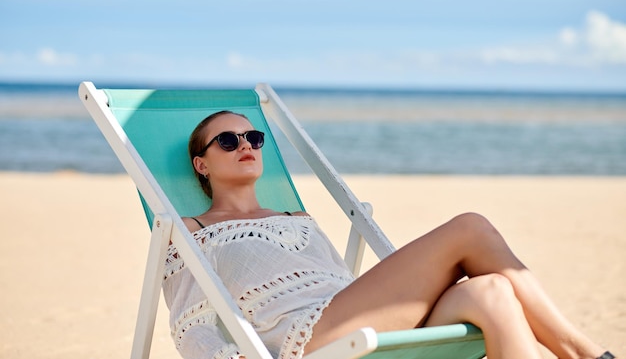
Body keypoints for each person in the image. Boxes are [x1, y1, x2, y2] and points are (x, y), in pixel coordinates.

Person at [162, 110, 615, 359]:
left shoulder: (296, 214)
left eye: (254, 138)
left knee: (493, 290)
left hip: (355, 315)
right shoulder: (193, 231)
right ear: (201, 164)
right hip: (307, 337)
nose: (246, 146)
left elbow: (337, 281)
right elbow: (190, 325)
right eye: (228, 141)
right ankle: (583, 353)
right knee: (470, 227)